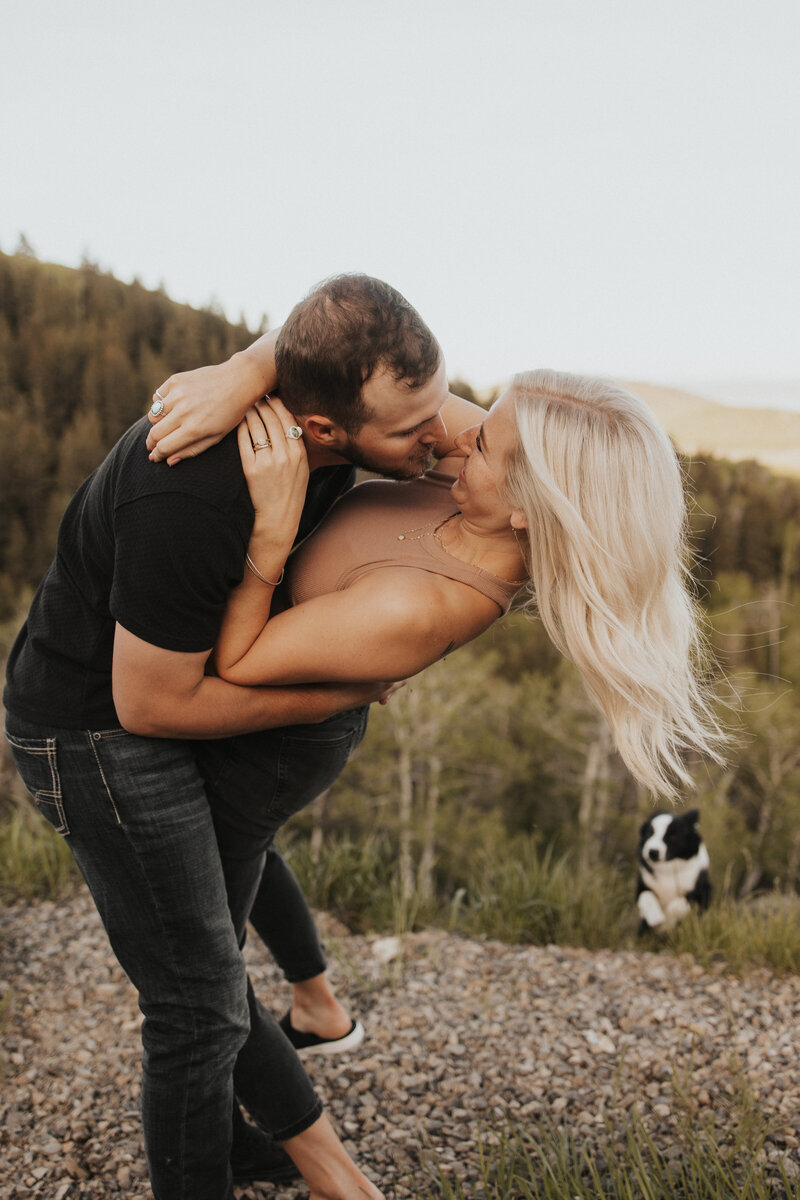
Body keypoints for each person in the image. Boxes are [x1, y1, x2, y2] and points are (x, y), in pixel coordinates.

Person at [4, 274, 485, 1200]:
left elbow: (340, 313)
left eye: (441, 405)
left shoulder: (359, 395)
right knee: (195, 1007)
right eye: (412, 432)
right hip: (95, 732)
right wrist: (332, 696)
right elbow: (150, 707)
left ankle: (223, 1138)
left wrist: (247, 361)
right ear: (322, 432)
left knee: (205, 966)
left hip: (177, 692)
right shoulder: (187, 494)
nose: (444, 440)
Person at [158, 369, 727, 971]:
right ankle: (314, 1004)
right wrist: (238, 372)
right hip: (298, 682)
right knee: (239, 855)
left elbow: (240, 659)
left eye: (484, 444)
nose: (466, 433)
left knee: (213, 903)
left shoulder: (420, 608)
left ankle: (229, 1026)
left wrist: (272, 530)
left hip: (280, 739)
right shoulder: (481, 483)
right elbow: (360, 370)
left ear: (526, 510)